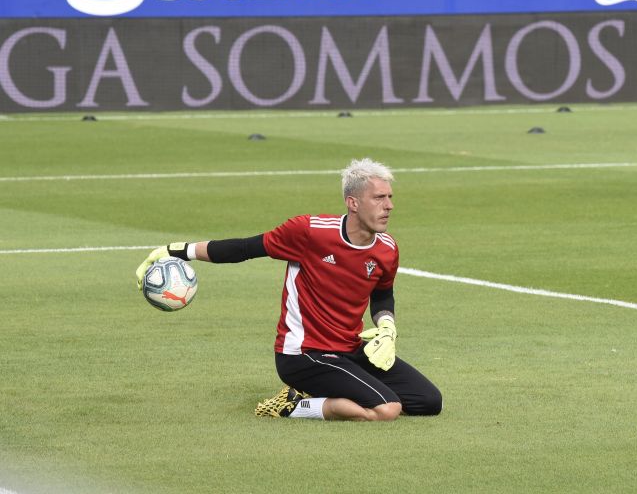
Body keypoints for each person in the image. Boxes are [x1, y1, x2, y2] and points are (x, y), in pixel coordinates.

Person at [135, 158, 442, 421]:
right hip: (303, 354)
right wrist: (177, 250)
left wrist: (387, 326)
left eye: (390, 197)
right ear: (353, 202)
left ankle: (333, 390)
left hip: (349, 349)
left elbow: (382, 293)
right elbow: (244, 248)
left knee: (428, 402)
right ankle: (293, 406)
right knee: (387, 409)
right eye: (379, 198)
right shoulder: (309, 232)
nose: (389, 206)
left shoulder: (387, 248)